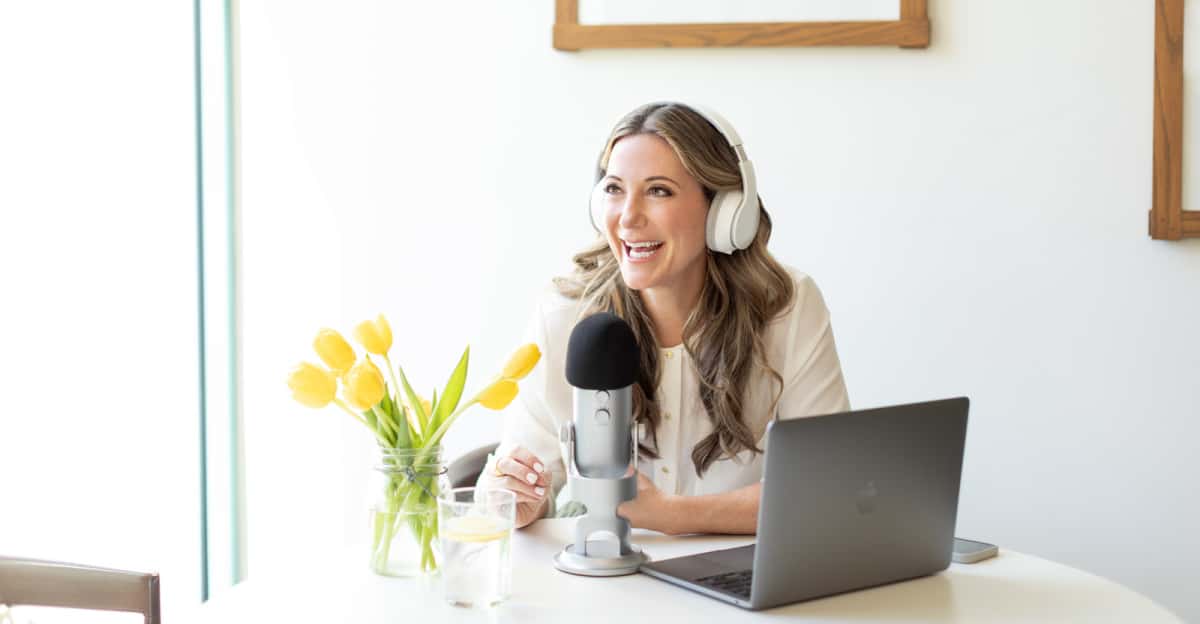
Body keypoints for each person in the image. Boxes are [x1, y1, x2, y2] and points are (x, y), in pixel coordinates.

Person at [476, 101, 850, 535]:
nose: (628, 217)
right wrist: (517, 498)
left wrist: (671, 514)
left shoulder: (787, 306)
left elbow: (825, 487)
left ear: (725, 211)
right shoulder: (566, 312)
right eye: (615, 189)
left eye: (658, 191)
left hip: (740, 586)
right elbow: (520, 479)